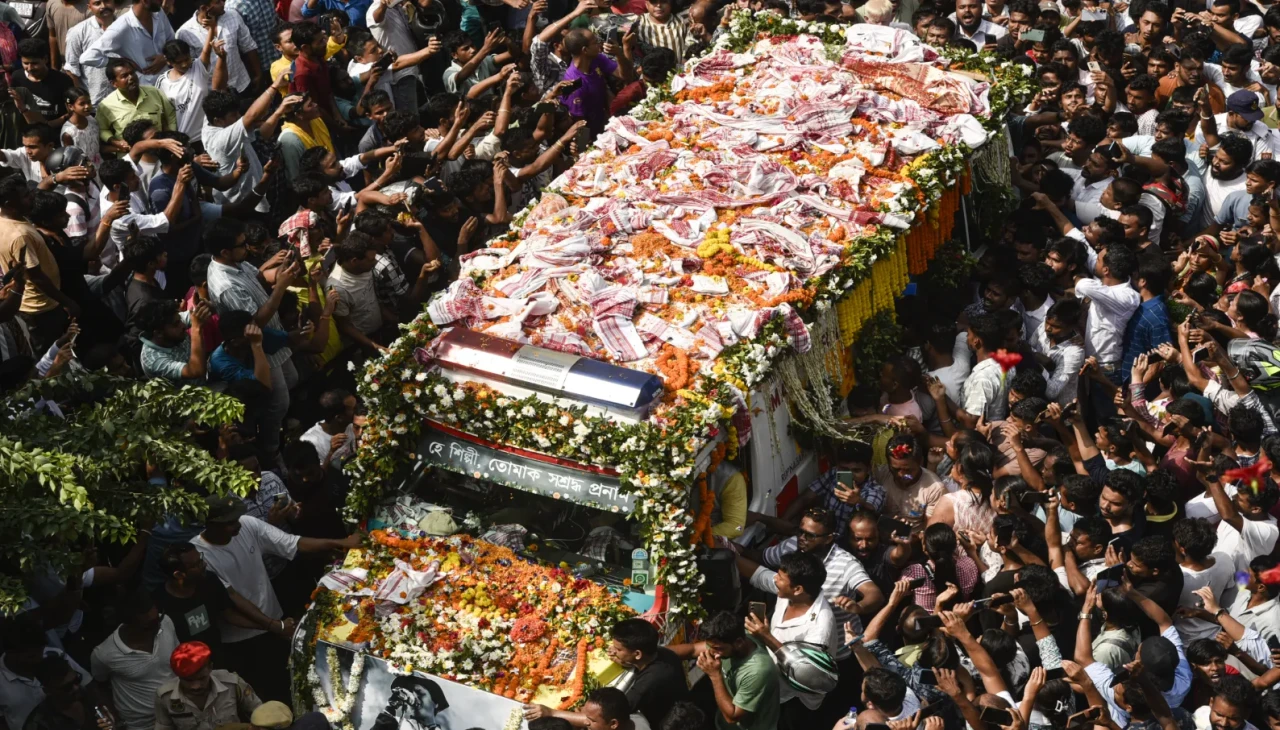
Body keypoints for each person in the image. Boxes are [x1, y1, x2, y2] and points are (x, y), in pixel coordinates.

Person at [189, 495, 359, 703]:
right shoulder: (198, 555)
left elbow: (293, 543)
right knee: (269, 696)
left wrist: (341, 542)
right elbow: (231, 599)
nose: (238, 525)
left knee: (294, 682)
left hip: (274, 622)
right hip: (243, 639)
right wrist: (273, 626)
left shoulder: (247, 525)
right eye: (230, 522)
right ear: (212, 524)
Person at [742, 552, 838, 728]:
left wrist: (766, 636)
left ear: (798, 589)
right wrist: (729, 552)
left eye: (779, 577)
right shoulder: (789, 593)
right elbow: (761, 576)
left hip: (794, 700)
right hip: (773, 687)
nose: (775, 580)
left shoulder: (820, 627)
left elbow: (807, 671)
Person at [667, 612, 779, 730]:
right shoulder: (726, 641)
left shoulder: (758, 671)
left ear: (739, 643)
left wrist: (715, 675)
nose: (713, 653)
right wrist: (654, 652)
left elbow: (733, 716)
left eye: (717, 649)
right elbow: (692, 649)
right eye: (710, 647)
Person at [89, 590, 181, 730]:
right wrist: (115, 718)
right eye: (148, 625)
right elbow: (100, 685)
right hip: (143, 725)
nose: (157, 626)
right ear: (129, 624)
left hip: (178, 712)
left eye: (158, 619)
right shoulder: (105, 653)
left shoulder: (166, 622)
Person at [153, 642, 261, 730]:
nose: (195, 686)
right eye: (188, 680)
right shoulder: (165, 697)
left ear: (210, 667)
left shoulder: (233, 684)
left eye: (201, 678)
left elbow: (261, 712)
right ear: (178, 676)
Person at [80, 0, 177, 86]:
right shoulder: (120, 28)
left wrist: (165, 57)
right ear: (145, 1)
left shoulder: (159, 13)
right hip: (144, 89)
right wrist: (122, 62)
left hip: (170, 81)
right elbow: (87, 57)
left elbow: (171, 40)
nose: (163, 1)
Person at [371, 675, 450, 730]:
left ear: (435, 703)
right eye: (409, 692)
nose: (413, 697)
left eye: (420, 693)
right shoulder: (394, 723)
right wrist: (390, 707)